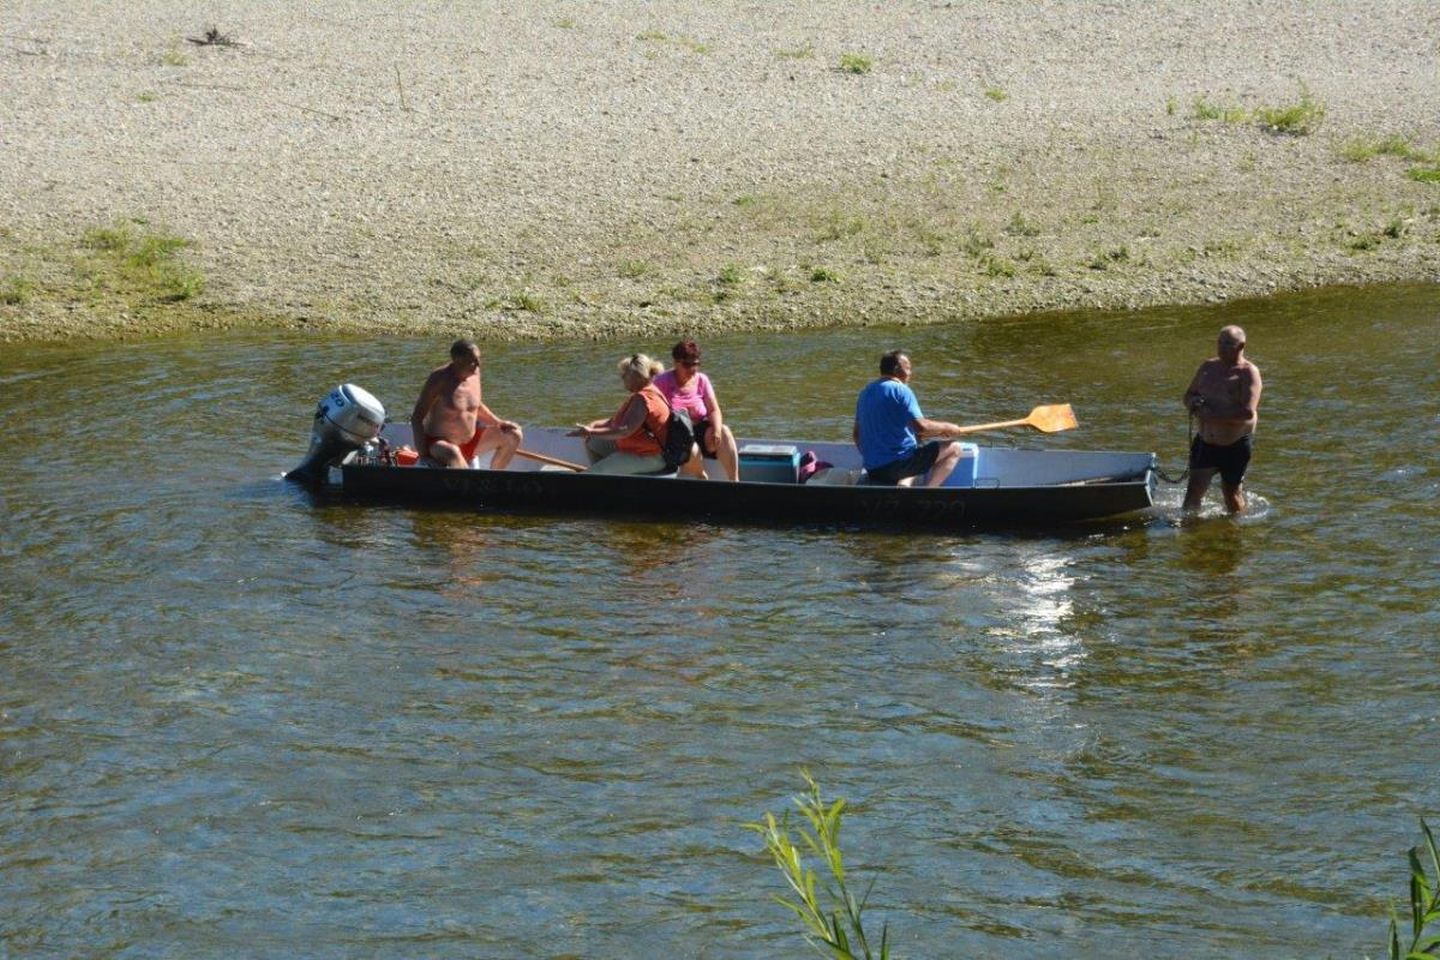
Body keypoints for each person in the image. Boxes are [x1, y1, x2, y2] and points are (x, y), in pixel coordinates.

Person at [852, 349, 971, 487]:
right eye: (908, 368)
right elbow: (922, 427)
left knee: (916, 446)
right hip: (898, 466)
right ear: (897, 370)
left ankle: (904, 483)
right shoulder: (901, 390)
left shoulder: (865, 393)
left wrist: (875, 458)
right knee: (954, 448)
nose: (910, 373)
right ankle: (928, 491)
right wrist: (948, 428)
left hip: (873, 469)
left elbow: (857, 435)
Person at [1182, 324, 1262, 514]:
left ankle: (1236, 529)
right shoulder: (1208, 367)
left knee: (1231, 495)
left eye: (1227, 344)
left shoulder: (1248, 373)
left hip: (1234, 446)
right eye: (1220, 342)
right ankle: (1189, 528)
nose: (1221, 347)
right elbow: (1188, 395)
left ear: (1241, 346)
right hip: (1205, 443)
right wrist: (1194, 403)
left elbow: (1247, 413)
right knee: (1193, 492)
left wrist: (1212, 417)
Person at [410, 339, 523, 469]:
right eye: (473, 361)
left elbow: (476, 406)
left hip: (469, 443)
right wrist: (423, 455)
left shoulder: (475, 373)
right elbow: (416, 418)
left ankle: (495, 477)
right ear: (458, 361)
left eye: (479, 359)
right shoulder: (438, 379)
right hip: (439, 445)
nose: (478, 364)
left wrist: (499, 422)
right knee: (453, 452)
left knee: (513, 434)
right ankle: (468, 480)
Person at [568, 353, 674, 475]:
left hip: (648, 457)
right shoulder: (647, 393)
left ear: (636, 376)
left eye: (625, 374)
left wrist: (591, 431)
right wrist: (595, 425)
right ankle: (607, 478)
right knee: (593, 440)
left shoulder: (643, 399)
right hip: (635, 448)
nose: (622, 377)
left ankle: (596, 474)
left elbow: (624, 430)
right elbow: (618, 421)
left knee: (594, 472)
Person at [653, 339, 740, 481]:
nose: (692, 369)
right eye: (687, 365)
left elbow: (713, 410)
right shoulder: (662, 382)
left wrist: (716, 430)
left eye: (696, 364)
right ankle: (701, 477)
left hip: (700, 429)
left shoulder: (702, 380)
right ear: (676, 363)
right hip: (676, 434)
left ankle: (734, 481)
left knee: (724, 431)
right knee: (690, 447)